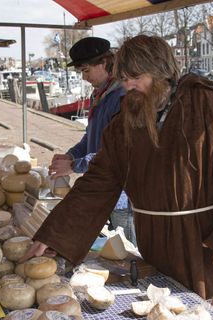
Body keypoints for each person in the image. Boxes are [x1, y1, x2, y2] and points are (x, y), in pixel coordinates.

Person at [22, 35, 213, 320]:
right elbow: (99, 182)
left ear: (161, 71)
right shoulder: (126, 119)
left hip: (206, 241)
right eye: (124, 79)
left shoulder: (208, 106)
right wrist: (56, 236)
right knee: (164, 319)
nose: (128, 86)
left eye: (136, 77)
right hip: (156, 241)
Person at [49, 37, 135, 245]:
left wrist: (74, 165)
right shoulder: (100, 94)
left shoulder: (122, 97)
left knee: (128, 254)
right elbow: (91, 137)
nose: (84, 77)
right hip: (101, 189)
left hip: (121, 195)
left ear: (104, 63)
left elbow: (119, 151)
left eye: (86, 70)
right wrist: (71, 155)